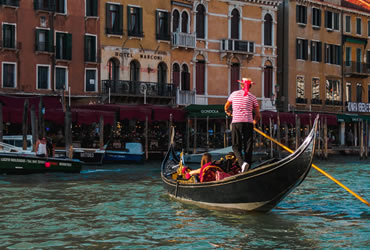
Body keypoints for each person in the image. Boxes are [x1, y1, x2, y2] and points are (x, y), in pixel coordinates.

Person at [224, 77, 260, 172]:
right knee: (248, 145)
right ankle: (247, 167)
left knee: (236, 146)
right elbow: (258, 115)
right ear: (250, 86)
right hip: (248, 123)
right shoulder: (253, 97)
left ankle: (242, 163)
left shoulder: (234, 94)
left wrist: (228, 111)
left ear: (241, 85)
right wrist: (254, 123)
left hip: (236, 122)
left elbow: (226, 106)